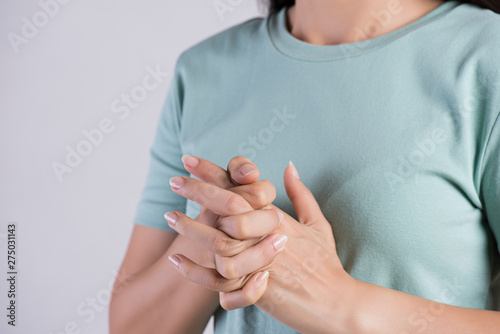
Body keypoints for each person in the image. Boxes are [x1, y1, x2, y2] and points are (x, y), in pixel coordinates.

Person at [109, 0, 500, 332]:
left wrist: (340, 305)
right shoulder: (200, 72)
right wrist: (226, 226)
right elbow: (130, 325)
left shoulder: (486, 55)